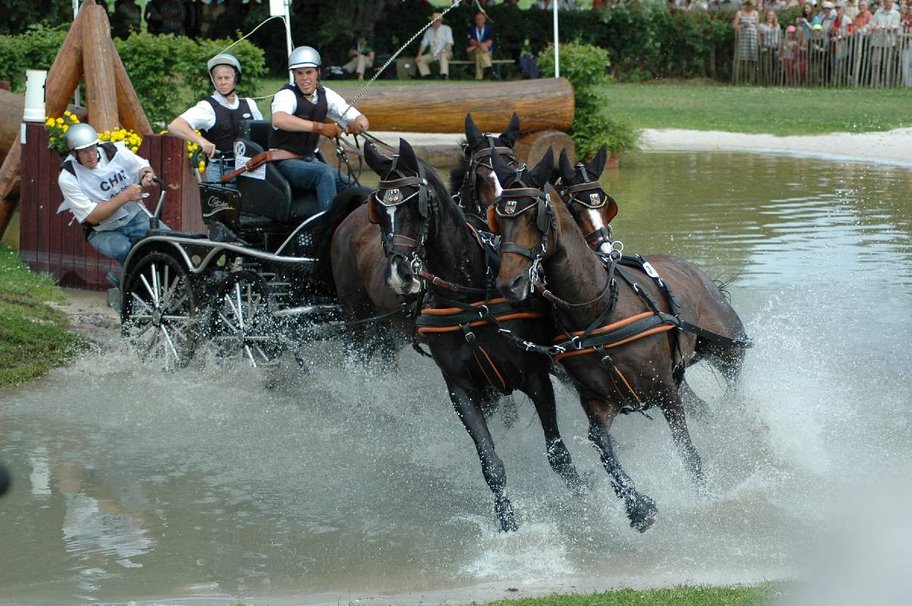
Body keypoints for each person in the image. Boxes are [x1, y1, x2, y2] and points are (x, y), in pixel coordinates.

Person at [269, 46, 370, 212]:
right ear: (294, 74)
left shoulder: (326, 95)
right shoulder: (286, 95)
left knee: (352, 187)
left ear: (318, 72)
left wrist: (358, 124)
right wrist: (320, 127)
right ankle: (327, 230)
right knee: (324, 174)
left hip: (310, 159)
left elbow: (359, 118)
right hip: (283, 163)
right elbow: (280, 119)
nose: (305, 78)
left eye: (309, 72)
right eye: (299, 73)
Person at [56, 123, 162, 269]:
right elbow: (92, 216)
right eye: (84, 151)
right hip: (104, 230)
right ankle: (128, 285)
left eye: (92, 148)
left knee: (168, 242)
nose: (91, 155)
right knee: (126, 251)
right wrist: (125, 196)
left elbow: (142, 165)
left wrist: (147, 175)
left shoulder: (113, 151)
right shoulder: (68, 177)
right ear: (74, 154)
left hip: (136, 217)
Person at [168, 54, 263, 184]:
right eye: (219, 78)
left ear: (235, 79)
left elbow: (262, 133)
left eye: (227, 78)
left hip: (250, 169)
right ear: (213, 81)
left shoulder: (249, 104)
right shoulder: (207, 107)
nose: (223, 82)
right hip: (221, 170)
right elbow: (175, 126)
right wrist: (201, 141)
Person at [416, 12, 454, 80]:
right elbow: (423, 44)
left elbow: (449, 43)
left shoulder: (447, 29)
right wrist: (419, 55)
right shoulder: (429, 31)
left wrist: (443, 51)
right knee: (420, 60)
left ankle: (444, 75)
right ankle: (426, 76)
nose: (435, 22)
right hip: (432, 53)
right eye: (433, 21)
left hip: (446, 52)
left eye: (436, 21)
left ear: (440, 21)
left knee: (443, 56)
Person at [466, 11, 495, 80]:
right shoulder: (471, 29)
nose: (479, 21)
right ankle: (489, 69)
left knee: (479, 54)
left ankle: (479, 77)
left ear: (484, 20)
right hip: (475, 53)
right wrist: (481, 45)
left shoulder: (489, 28)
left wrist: (477, 46)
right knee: (479, 51)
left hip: (486, 52)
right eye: (477, 19)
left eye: (481, 19)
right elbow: (471, 42)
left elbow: (490, 42)